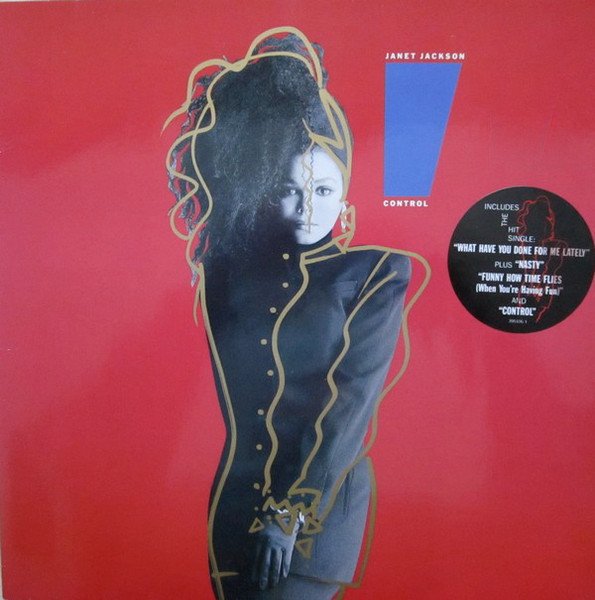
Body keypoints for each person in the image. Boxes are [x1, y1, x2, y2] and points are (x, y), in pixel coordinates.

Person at [165, 27, 429, 600]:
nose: (310, 209)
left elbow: (350, 404)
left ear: (347, 196)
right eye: (290, 190)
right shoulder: (225, 273)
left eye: (325, 191)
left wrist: (289, 513)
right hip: (233, 514)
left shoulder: (377, 272)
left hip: (316, 523)